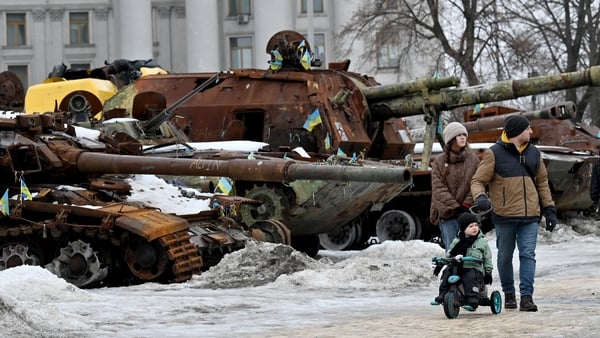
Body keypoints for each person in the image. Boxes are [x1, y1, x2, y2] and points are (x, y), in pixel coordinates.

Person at [471, 114, 558, 312]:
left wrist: (549, 209)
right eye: (527, 128)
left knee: (528, 254)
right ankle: (509, 293)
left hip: (530, 216)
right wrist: (481, 198)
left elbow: (543, 183)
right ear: (518, 132)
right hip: (505, 215)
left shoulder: (535, 153)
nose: (531, 131)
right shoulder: (494, 154)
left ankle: (527, 297)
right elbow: (477, 181)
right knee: (504, 256)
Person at [430, 122, 480, 252]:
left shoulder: (473, 160)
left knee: (473, 252)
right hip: (448, 215)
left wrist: (466, 206)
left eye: (464, 134)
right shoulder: (439, 162)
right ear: (451, 139)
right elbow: (438, 188)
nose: (463, 137)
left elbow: (477, 183)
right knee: (453, 253)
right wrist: (455, 208)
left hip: (469, 214)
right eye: (459, 135)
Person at [433, 213, 493, 309]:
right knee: (447, 272)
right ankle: (443, 294)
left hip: (473, 267)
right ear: (463, 229)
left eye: (476, 225)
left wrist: (488, 271)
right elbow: (449, 254)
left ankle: (473, 299)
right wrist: (440, 264)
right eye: (471, 226)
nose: (474, 228)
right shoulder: (457, 241)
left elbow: (487, 257)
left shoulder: (481, 242)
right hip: (458, 267)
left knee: (470, 276)